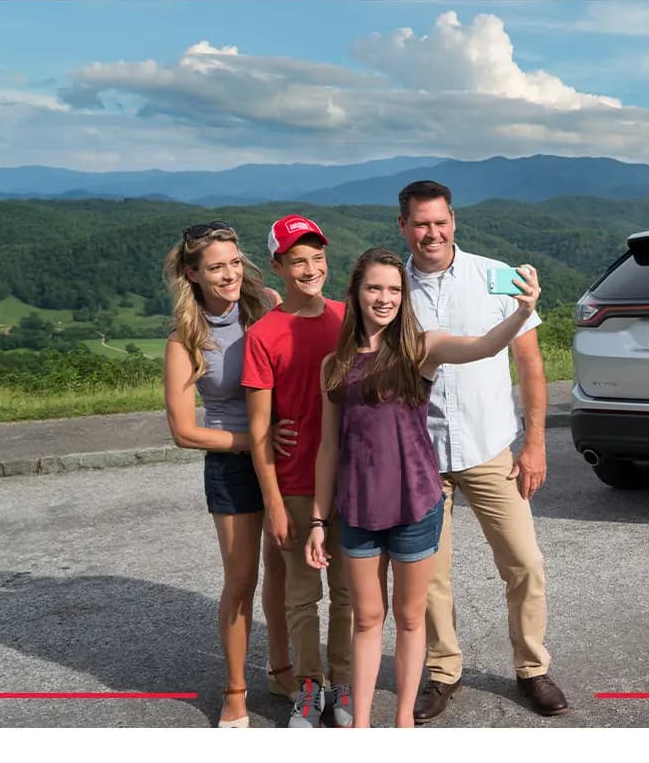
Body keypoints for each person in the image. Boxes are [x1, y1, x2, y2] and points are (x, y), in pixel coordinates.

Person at [304, 247, 540, 728]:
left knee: (411, 620)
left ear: (403, 295)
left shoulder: (420, 348)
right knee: (369, 620)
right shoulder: (334, 364)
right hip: (358, 510)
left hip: (416, 504)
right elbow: (328, 449)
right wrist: (316, 519)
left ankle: (405, 725)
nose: (384, 298)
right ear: (356, 293)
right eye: (374, 288)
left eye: (394, 289)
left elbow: (483, 347)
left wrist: (522, 311)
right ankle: (364, 725)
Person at [399, 180, 569, 720]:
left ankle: (532, 668)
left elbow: (531, 365)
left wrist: (535, 443)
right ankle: (444, 671)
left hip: (489, 446)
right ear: (403, 226)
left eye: (440, 221)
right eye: (421, 223)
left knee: (525, 562)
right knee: (430, 576)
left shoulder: (497, 277)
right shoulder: (388, 287)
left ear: (455, 221)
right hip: (419, 454)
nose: (433, 232)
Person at [161, 219, 294, 728]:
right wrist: (253, 442)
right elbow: (184, 431)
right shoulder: (184, 342)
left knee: (281, 571)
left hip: (283, 458)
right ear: (192, 274)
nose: (230, 274)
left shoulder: (269, 307)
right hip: (233, 464)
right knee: (241, 581)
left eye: (235, 263)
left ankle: (282, 668)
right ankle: (236, 690)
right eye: (216, 267)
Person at [243, 214, 353, 728]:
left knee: (351, 594)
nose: (309, 268)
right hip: (295, 486)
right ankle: (309, 688)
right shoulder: (264, 334)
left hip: (352, 485)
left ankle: (345, 683)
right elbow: (261, 431)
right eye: (297, 260)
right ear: (277, 266)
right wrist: (272, 505)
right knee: (303, 596)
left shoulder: (348, 317)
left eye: (317, 258)